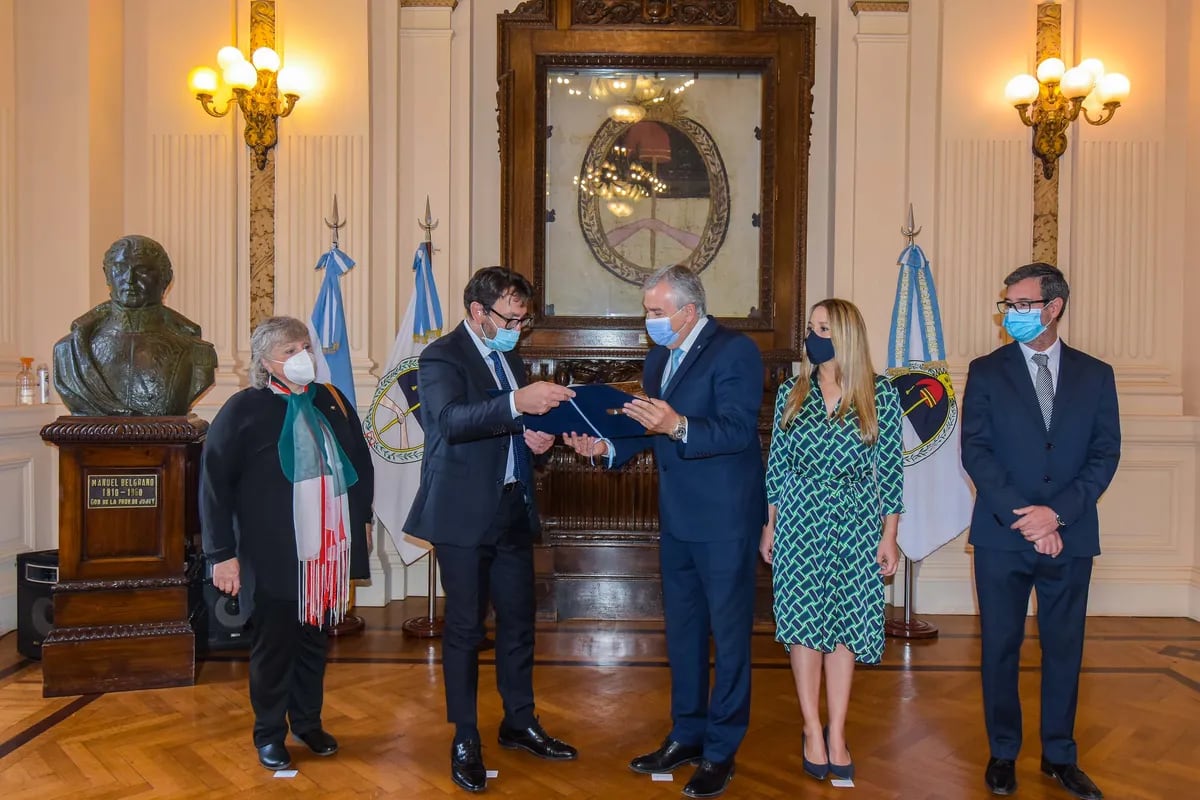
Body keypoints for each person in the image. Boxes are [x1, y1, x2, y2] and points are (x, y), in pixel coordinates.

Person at [564, 264, 764, 799]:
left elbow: (739, 430)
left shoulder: (735, 352)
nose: (648, 321)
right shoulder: (659, 357)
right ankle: (687, 734)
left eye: (655, 312)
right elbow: (647, 429)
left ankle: (721, 751)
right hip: (676, 519)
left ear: (688, 311)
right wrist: (606, 448)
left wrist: (676, 424)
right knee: (684, 635)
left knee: (730, 640)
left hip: (724, 521)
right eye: (647, 311)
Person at [403, 267, 579, 794]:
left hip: (509, 508)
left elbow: (509, 427)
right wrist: (515, 405)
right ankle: (465, 737)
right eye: (509, 317)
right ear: (478, 311)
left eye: (522, 320)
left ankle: (519, 721)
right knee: (464, 629)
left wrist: (534, 438)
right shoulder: (441, 355)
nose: (516, 328)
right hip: (460, 514)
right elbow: (450, 422)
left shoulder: (508, 356)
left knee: (520, 624)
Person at [961, 262, 1120, 800]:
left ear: (1053, 307)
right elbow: (976, 453)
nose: (1010, 314)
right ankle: (1003, 752)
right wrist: (1026, 517)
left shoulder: (1096, 375)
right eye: (1007, 306)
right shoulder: (986, 370)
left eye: (1020, 305)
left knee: (1064, 648)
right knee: (1000, 647)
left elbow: (1105, 455)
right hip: (1003, 536)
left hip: (1070, 535)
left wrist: (1058, 516)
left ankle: (1059, 755)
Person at [200, 316, 374, 771]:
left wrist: (363, 521)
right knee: (274, 644)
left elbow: (360, 464)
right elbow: (213, 486)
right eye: (289, 351)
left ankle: (308, 722)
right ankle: (269, 733)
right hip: (270, 550)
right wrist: (221, 555)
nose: (303, 358)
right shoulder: (243, 409)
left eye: (305, 347)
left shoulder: (331, 402)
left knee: (315, 639)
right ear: (265, 362)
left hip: (326, 551)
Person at [758, 298, 903, 783]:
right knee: (803, 626)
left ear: (845, 336)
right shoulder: (791, 393)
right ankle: (811, 728)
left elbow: (891, 472)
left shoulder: (879, 394)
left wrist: (890, 536)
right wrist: (770, 525)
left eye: (823, 328)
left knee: (843, 628)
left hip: (856, 522)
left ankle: (837, 730)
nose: (812, 336)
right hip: (800, 520)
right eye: (811, 327)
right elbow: (777, 465)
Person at [54, 234, 217, 415]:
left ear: (166, 278)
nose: (129, 279)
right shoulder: (69, 351)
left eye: (143, 270)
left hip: (167, 440)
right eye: (120, 268)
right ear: (107, 275)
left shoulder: (196, 351)